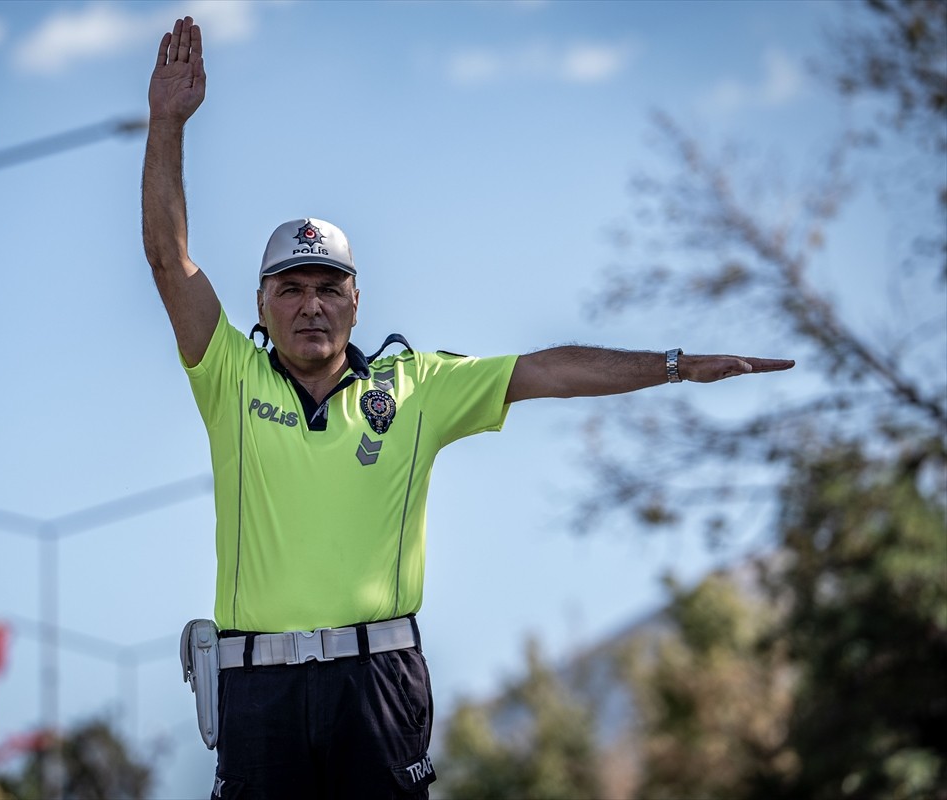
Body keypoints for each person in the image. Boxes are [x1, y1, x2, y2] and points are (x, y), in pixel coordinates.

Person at [141, 16, 795, 800]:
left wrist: (675, 365)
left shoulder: (415, 386)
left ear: (356, 301)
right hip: (260, 694)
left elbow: (548, 371)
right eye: (291, 288)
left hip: (377, 681)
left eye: (328, 288)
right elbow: (168, 258)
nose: (311, 305)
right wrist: (166, 125)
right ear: (262, 301)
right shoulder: (228, 376)